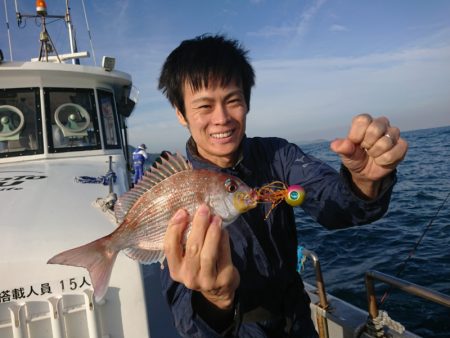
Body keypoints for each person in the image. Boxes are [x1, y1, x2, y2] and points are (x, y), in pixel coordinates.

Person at [157, 34, 408, 337]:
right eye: (204, 106)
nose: (221, 118)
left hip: (298, 321)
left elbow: (334, 203)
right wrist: (216, 300)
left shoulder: (278, 155)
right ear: (181, 113)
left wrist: (364, 181)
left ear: (247, 103)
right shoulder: (172, 190)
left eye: (233, 100)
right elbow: (185, 317)